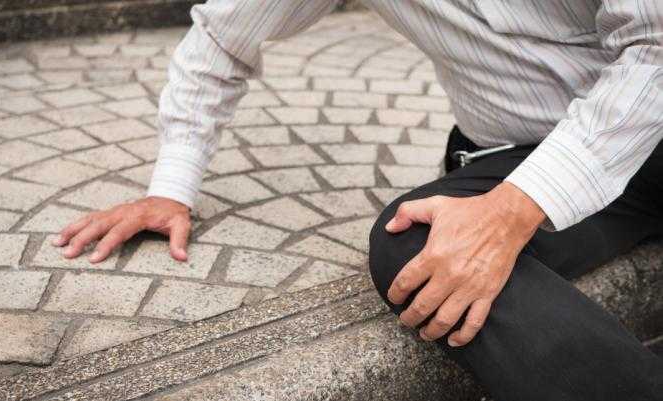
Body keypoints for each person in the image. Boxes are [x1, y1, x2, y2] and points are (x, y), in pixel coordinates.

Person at [52, 1, 663, 399]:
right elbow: (222, 36)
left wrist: (516, 210)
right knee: (415, 242)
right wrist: (170, 187)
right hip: (518, 153)